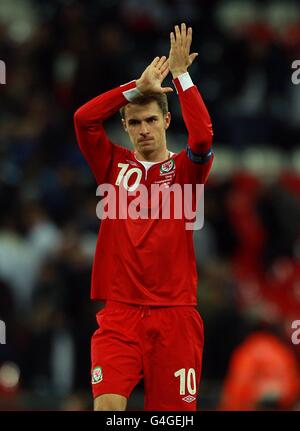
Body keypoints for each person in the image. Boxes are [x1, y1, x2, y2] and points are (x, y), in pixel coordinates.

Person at [74, 23, 214, 411]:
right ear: (124, 128)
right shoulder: (112, 164)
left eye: (151, 119)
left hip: (175, 316)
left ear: (167, 122)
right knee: (108, 411)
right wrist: (135, 89)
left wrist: (182, 75)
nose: (143, 130)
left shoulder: (187, 170)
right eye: (134, 122)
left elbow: (202, 137)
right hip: (120, 315)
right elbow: (83, 119)